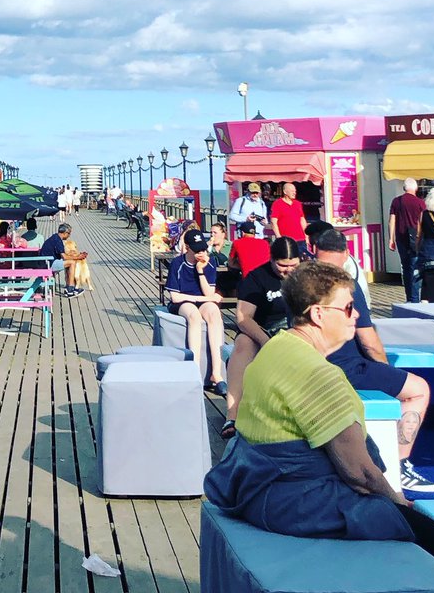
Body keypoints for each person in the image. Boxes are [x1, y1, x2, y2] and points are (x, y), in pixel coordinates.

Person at [204, 261, 413, 540]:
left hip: (252, 492)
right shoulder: (319, 376)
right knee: (426, 535)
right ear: (318, 314)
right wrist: (399, 506)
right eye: (349, 307)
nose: (356, 315)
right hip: (295, 503)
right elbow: (359, 473)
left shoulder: (275, 347)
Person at [313, 230, 434, 493]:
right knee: (418, 390)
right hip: (347, 369)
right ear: (346, 255)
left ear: (314, 250)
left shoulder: (300, 282)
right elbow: (369, 342)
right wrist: (386, 371)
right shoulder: (344, 284)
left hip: (311, 367)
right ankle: (400, 465)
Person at [221, 237, 302, 439]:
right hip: (262, 327)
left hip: (297, 327)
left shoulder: (306, 276)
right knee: (242, 344)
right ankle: (232, 413)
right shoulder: (257, 278)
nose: (288, 270)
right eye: (283, 266)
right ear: (272, 260)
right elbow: (243, 317)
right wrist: (266, 341)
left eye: (293, 265)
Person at [166, 228, 227, 394]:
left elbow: (209, 293)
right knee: (193, 315)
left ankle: (216, 372)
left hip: (202, 299)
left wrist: (201, 271)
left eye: (203, 248)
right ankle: (194, 369)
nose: (201, 252)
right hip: (183, 302)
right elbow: (175, 297)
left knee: (214, 313)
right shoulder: (178, 264)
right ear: (187, 248)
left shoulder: (210, 262)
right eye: (197, 249)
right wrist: (207, 299)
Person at [387, 178, 424, 303]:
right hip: (416, 239)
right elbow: (422, 222)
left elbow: (392, 221)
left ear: (404, 188)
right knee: (415, 267)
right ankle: (415, 298)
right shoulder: (420, 203)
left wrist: (391, 238)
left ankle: (410, 297)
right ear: (416, 188)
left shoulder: (396, 201)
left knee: (406, 268)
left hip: (401, 238)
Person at [41, 223, 86, 296]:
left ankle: (69, 287)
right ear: (65, 233)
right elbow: (64, 257)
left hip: (47, 262)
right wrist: (78, 257)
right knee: (72, 263)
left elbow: (63, 255)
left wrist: (76, 255)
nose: (69, 235)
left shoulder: (55, 238)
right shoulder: (58, 241)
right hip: (48, 264)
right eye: (69, 233)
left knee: (69, 263)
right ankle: (70, 289)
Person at [269, 183, 309, 255]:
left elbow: (302, 220)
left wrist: (306, 236)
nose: (294, 193)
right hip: (286, 240)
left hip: (300, 239)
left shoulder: (298, 204)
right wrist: (279, 237)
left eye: (295, 191)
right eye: (292, 191)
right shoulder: (277, 204)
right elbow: (273, 222)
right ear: (285, 192)